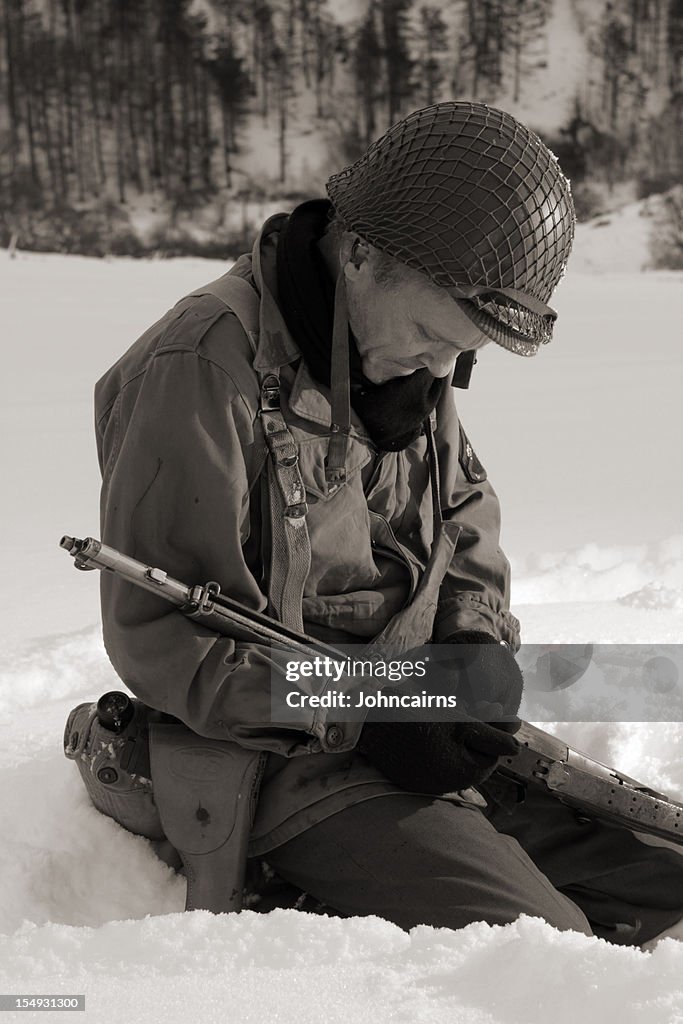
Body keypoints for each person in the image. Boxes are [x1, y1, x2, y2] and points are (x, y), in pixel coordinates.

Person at [94, 102, 683, 943]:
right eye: (433, 338)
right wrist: (363, 708)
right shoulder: (200, 371)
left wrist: (471, 648)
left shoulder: (401, 352)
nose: (443, 371)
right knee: (545, 949)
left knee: (664, 888)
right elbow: (166, 639)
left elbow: (464, 520)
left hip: (415, 725)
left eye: (462, 352)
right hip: (291, 761)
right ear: (363, 253)